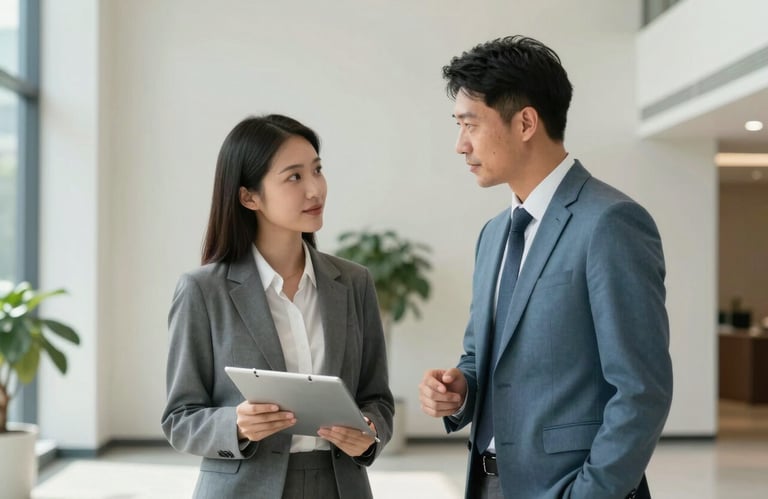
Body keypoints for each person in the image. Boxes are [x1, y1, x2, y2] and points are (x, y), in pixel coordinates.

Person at [418, 36, 673, 499]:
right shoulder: (494, 233)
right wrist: (460, 390)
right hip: (488, 482)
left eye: (469, 125)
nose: (461, 145)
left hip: (570, 489)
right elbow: (480, 357)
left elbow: (641, 390)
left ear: (526, 122)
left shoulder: (610, 223)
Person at [161, 114, 394, 499]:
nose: (315, 190)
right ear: (248, 196)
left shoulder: (353, 282)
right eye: (294, 177)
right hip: (242, 488)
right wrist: (236, 424)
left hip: (339, 486)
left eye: (317, 171)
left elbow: (378, 398)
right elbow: (179, 418)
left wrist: (368, 434)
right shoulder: (202, 290)